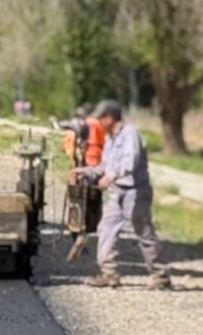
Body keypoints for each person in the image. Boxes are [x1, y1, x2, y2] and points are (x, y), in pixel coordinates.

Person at [69, 99, 171, 290]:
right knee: (106, 228)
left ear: (110, 118)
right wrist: (86, 172)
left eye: (101, 119)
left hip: (136, 191)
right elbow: (105, 165)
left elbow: (131, 161)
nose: (99, 123)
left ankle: (160, 276)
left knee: (144, 232)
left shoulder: (130, 134)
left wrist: (111, 176)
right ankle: (109, 274)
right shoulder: (110, 139)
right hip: (118, 192)